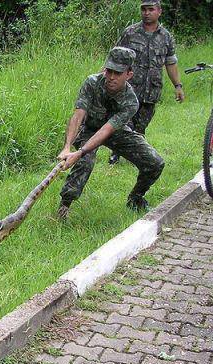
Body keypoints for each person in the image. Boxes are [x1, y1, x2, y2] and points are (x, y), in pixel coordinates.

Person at [57, 46, 165, 219]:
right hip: (89, 129)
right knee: (85, 161)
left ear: (129, 74)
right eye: (109, 71)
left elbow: (108, 129)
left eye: (118, 73)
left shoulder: (131, 101)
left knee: (155, 162)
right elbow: (78, 116)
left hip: (116, 132)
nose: (111, 77)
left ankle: (136, 198)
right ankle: (65, 205)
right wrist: (68, 147)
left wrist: (80, 151)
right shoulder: (92, 83)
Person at [109, 0, 184, 165]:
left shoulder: (166, 37)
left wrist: (178, 86)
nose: (147, 13)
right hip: (129, 88)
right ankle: (117, 152)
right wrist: (106, 79)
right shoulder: (130, 32)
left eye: (151, 9)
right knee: (123, 122)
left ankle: (137, 156)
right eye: (144, 9)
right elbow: (115, 58)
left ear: (159, 11)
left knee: (141, 127)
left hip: (151, 90)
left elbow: (170, 63)